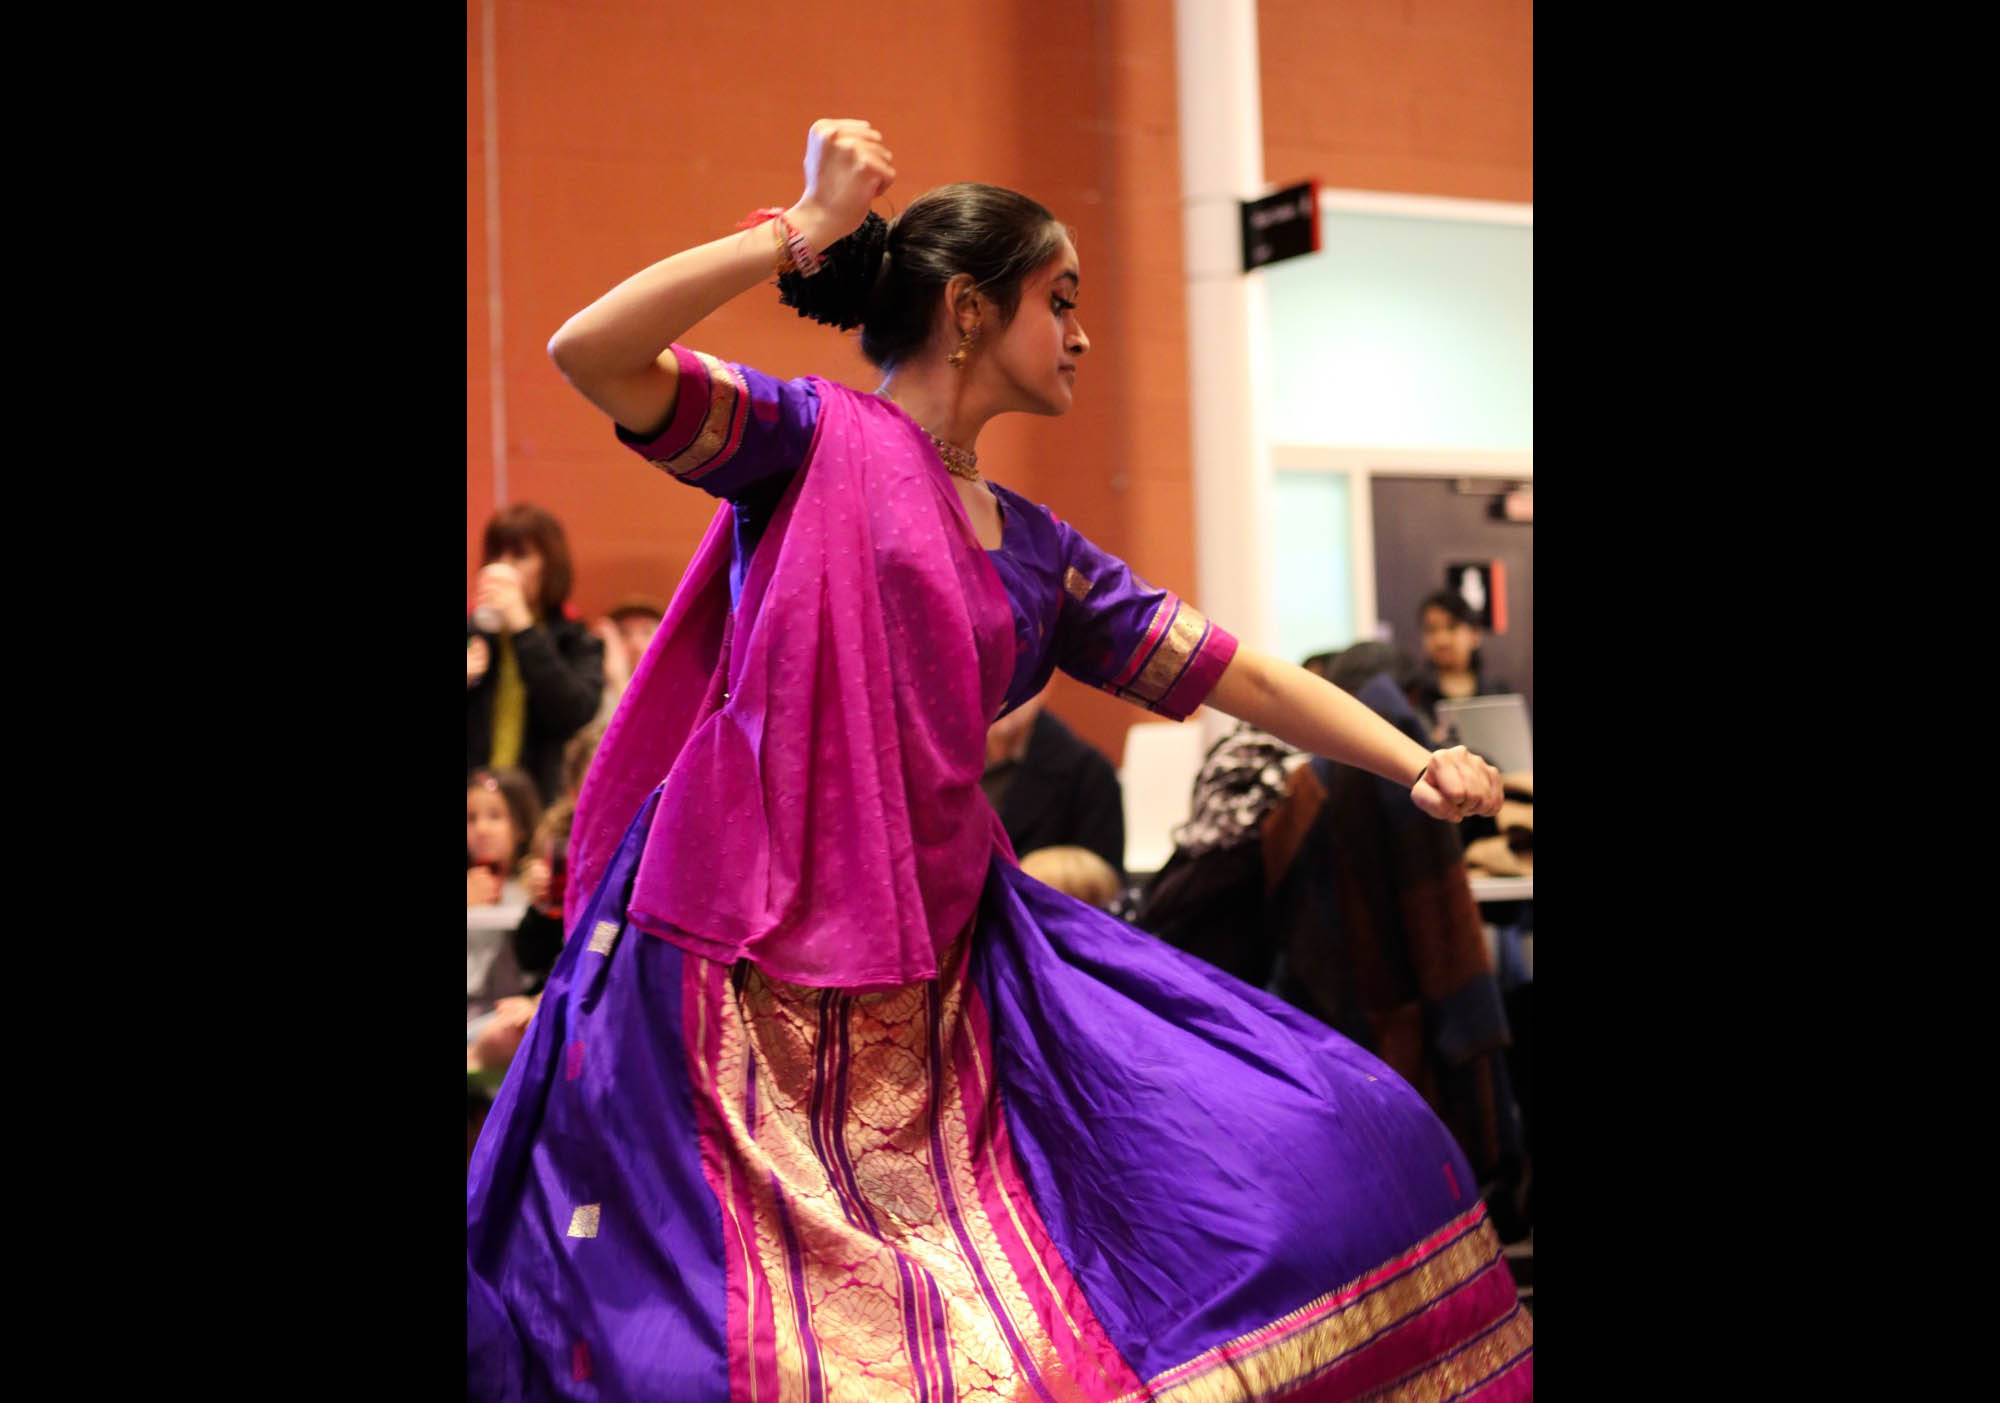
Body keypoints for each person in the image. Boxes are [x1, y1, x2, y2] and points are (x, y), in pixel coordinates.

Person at [468, 119, 1524, 1402]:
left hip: (948, 965)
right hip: (738, 963)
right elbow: (591, 350)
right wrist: (796, 229)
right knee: (724, 1345)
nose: (1081, 333)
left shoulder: (1038, 550)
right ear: (968, 310)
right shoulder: (804, 446)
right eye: (1059, 300)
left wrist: (1406, 755)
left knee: (1324, 1137)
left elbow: (1228, 669)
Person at [466, 503, 607, 807]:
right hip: (474, 812)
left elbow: (573, 712)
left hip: (540, 804)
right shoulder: (474, 634)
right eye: (496, 555)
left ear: (550, 564)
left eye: (520, 556)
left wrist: (522, 626)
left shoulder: (578, 641)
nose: (505, 566)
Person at [982, 686, 1126, 881]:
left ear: (1042, 686)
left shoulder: (1088, 772)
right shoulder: (943, 765)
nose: (1001, 698)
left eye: (1013, 683)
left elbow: (1101, 887)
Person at [1411, 588, 1511, 744]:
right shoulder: (1414, 693)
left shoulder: (1498, 691)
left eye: (1452, 627)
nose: (1441, 639)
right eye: (1431, 630)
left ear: (1475, 634)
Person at [465, 768, 540, 908]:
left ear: (521, 826)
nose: (481, 829)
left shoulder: (537, 885)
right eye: (471, 818)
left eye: (495, 816)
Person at [589, 595, 666, 723]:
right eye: (624, 633)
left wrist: (620, 680)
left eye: (646, 632)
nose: (636, 643)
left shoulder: (671, 691)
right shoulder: (592, 692)